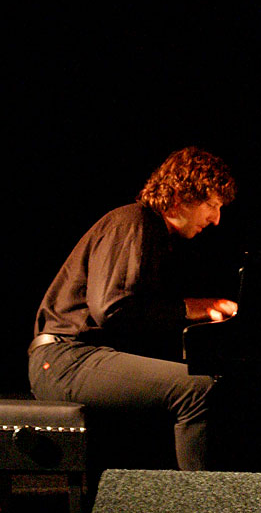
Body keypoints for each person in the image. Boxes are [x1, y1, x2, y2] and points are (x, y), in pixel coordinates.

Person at [28, 146, 237, 475]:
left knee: (195, 384)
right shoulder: (133, 221)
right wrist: (192, 308)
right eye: (212, 204)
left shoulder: (152, 234)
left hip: (79, 357)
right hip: (66, 360)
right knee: (198, 389)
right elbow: (112, 310)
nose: (216, 218)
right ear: (181, 196)